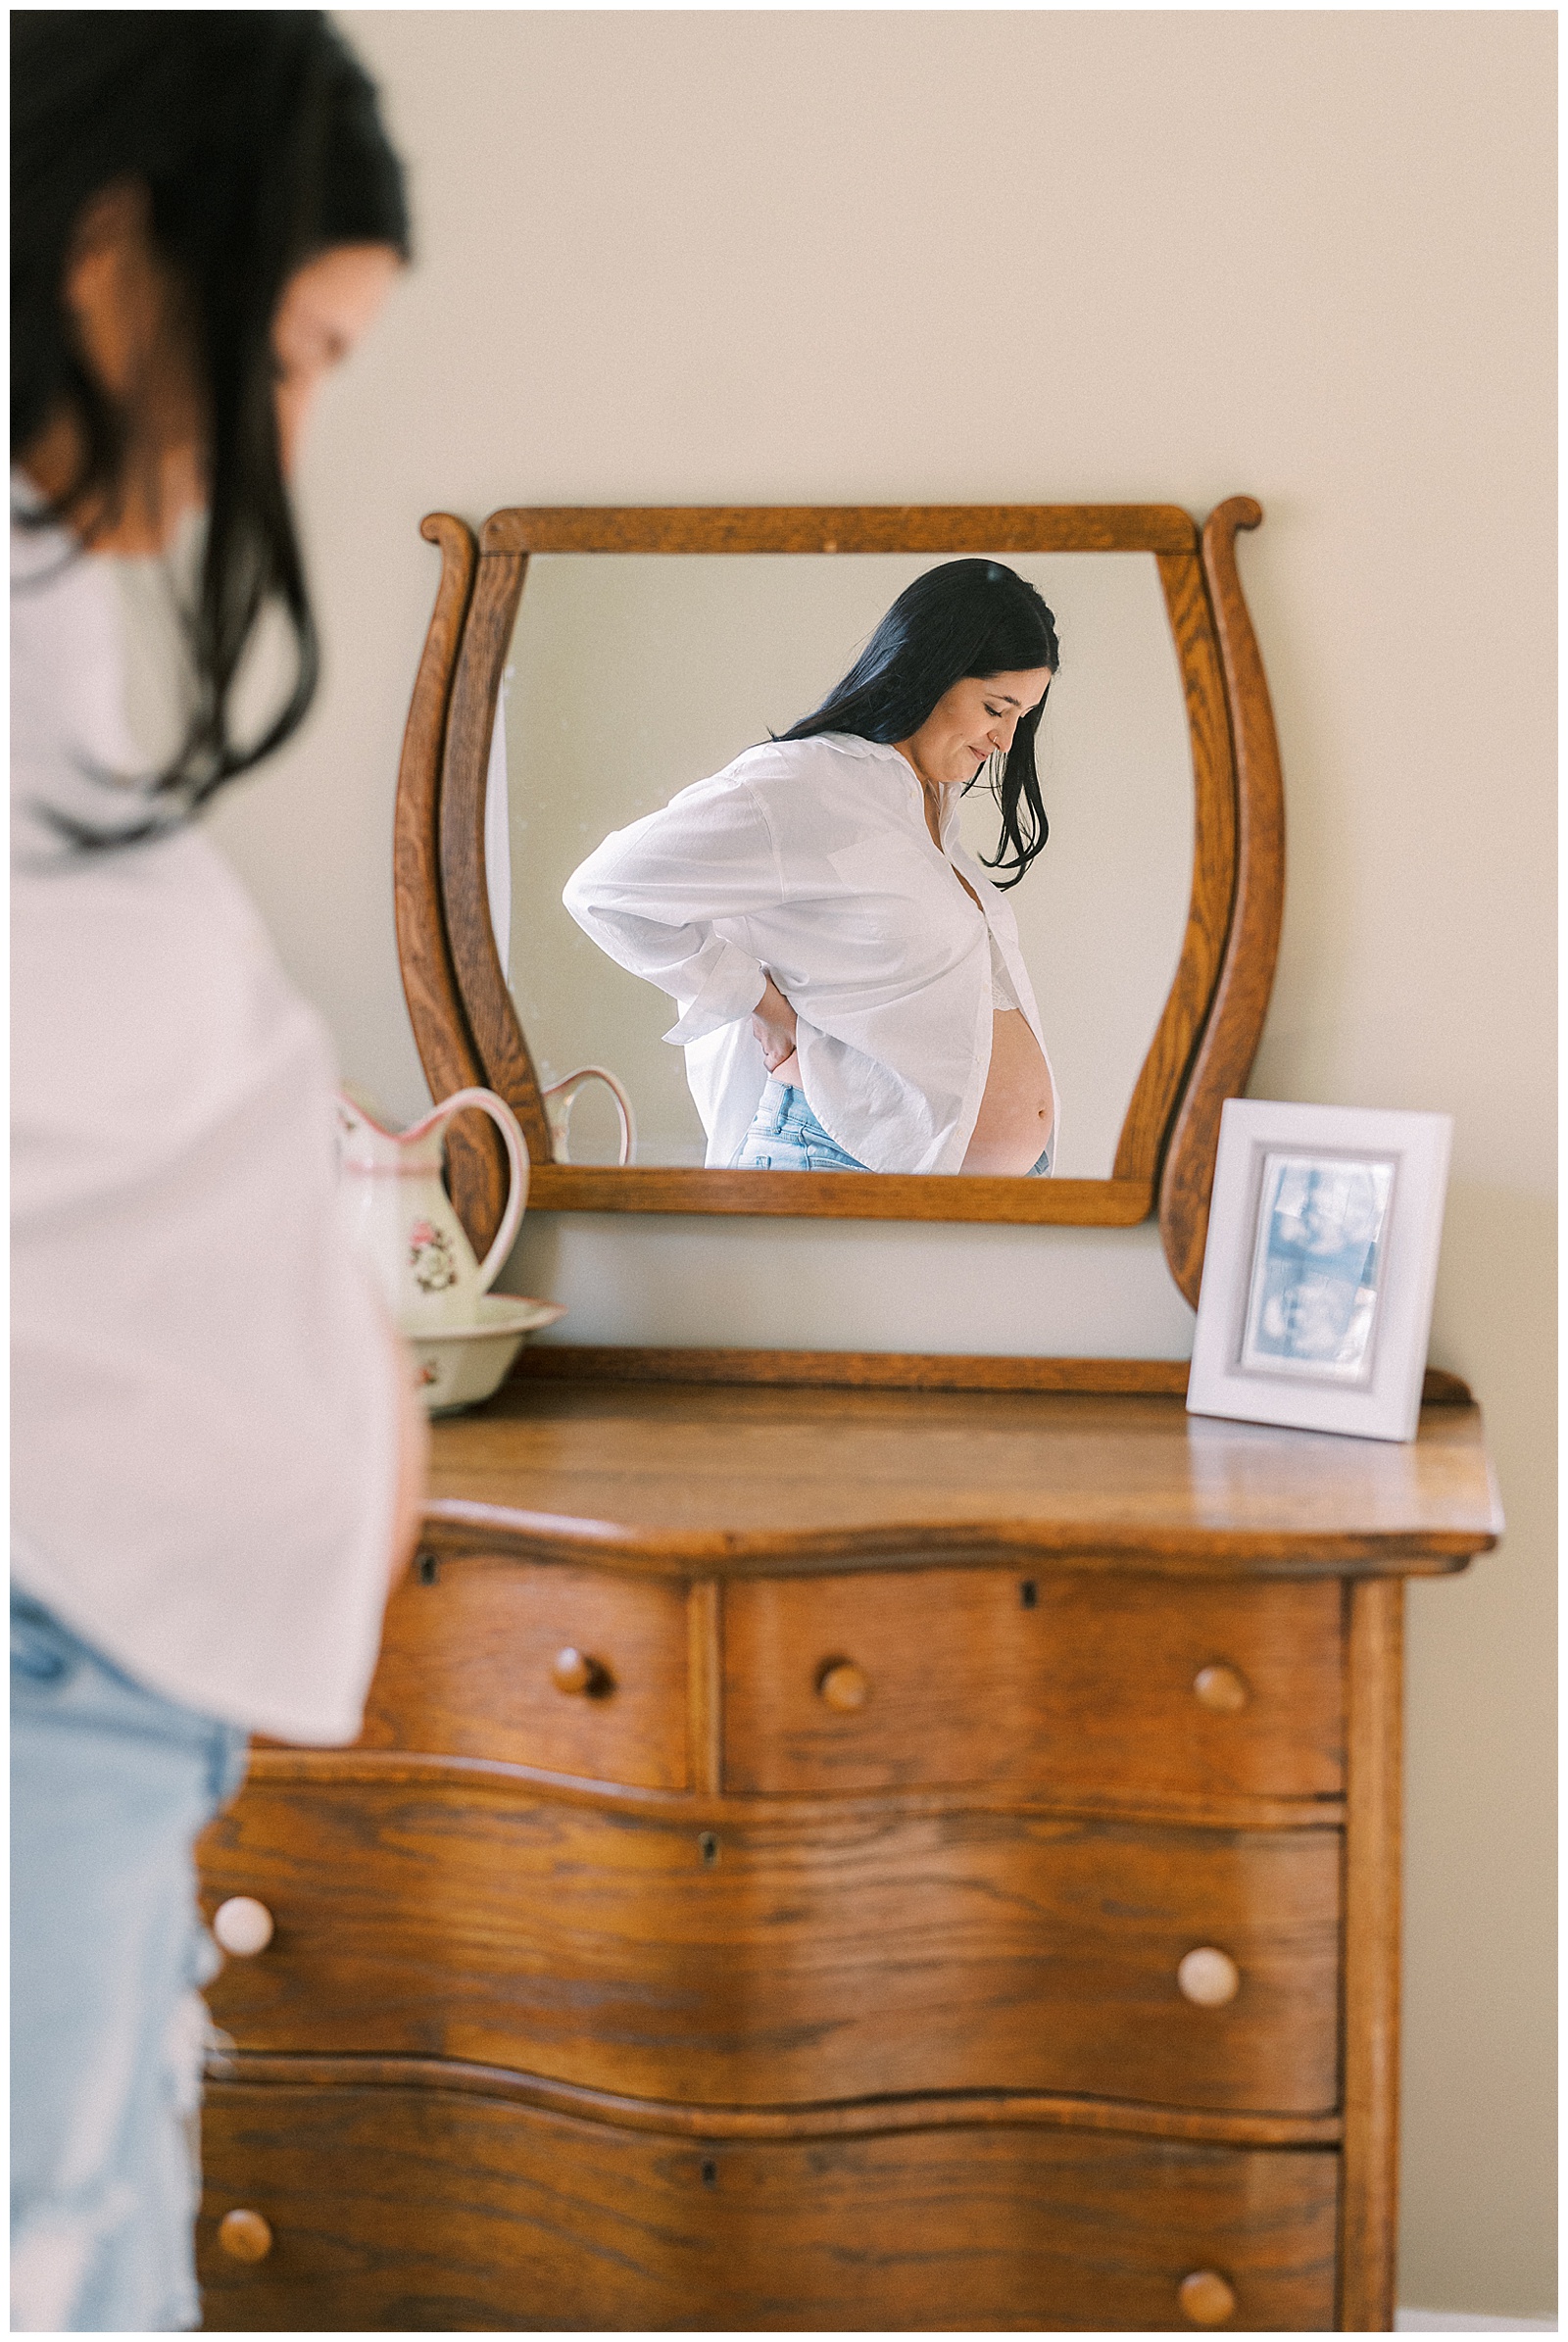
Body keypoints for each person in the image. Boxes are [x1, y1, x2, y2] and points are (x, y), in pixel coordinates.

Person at [11, 16, 425, 2330]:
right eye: (290, 353)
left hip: (108, 1651)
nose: (288, 432)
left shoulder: (51, 611)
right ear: (109, 262)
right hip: (46, 1628)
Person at [563, 560, 1061, 1177]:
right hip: (837, 1158)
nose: (1007, 741)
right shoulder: (811, 781)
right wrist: (761, 1007)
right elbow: (606, 890)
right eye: (995, 708)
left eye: (1022, 716)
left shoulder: (929, 808)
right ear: (933, 671)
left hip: (964, 1184)